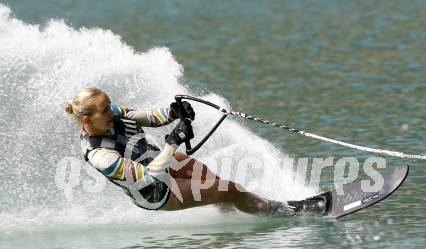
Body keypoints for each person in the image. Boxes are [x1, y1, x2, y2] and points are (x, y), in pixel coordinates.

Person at [64, 87, 327, 215]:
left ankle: (230, 214)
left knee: (215, 184)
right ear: (87, 120)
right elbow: (148, 178)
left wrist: (173, 112)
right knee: (230, 188)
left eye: (110, 105)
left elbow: (148, 117)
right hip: (156, 192)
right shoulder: (99, 155)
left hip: (160, 159)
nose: (113, 111)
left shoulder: (112, 113)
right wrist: (172, 142)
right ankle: (284, 212)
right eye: (105, 110)